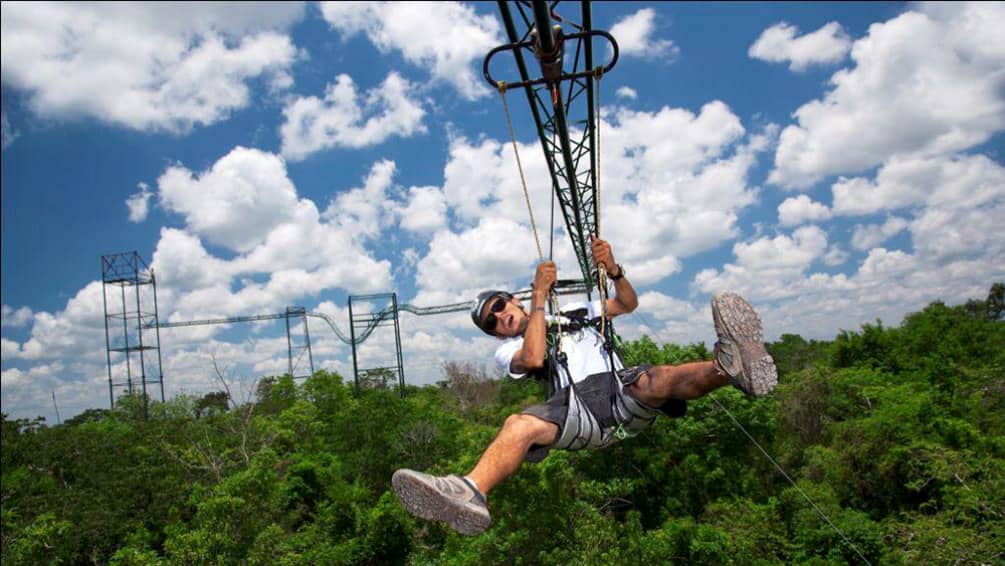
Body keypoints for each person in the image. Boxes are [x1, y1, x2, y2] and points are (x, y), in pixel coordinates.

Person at [392, 236, 778, 535]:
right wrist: (539, 297)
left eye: (499, 306)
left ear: (511, 300)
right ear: (495, 334)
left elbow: (626, 304)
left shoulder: (576, 312)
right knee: (518, 425)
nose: (500, 317)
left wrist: (614, 270)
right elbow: (534, 358)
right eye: (492, 322)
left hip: (619, 391)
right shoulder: (507, 350)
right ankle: (469, 491)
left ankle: (730, 369)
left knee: (657, 378)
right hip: (575, 410)